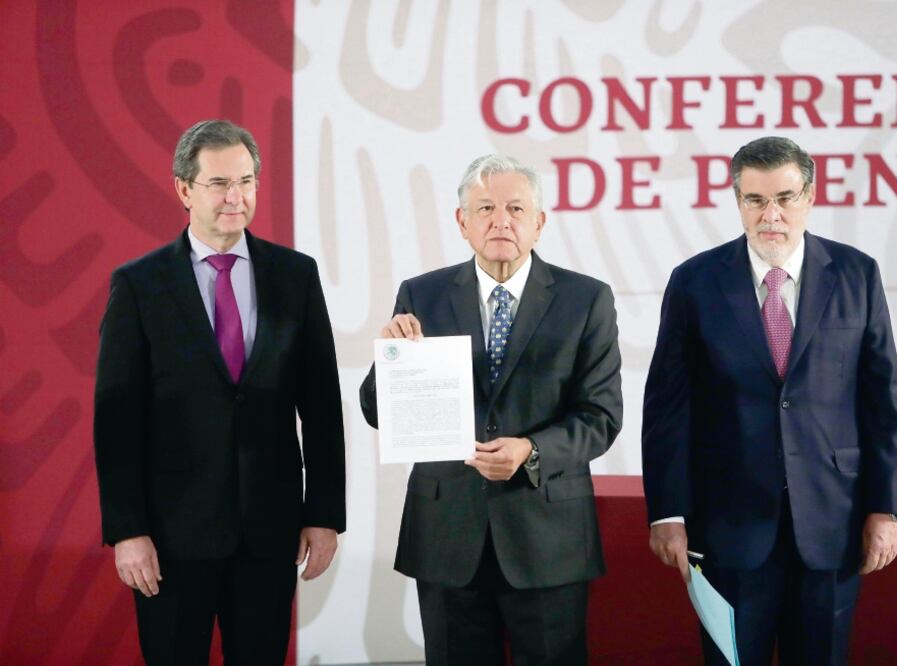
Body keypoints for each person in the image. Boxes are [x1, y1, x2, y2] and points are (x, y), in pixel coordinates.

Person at [642, 136, 897, 665]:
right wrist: (666, 510)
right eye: (755, 200)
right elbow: (669, 407)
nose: (771, 215)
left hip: (833, 521)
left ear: (809, 196)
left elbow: (884, 402)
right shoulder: (695, 282)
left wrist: (887, 508)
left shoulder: (857, 274)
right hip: (727, 524)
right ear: (737, 200)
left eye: (785, 198)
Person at [94, 119, 346, 665]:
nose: (236, 196)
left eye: (247, 181)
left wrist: (324, 513)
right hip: (169, 537)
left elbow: (322, 407)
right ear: (184, 189)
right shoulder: (139, 285)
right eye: (219, 183)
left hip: (269, 530)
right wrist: (127, 530)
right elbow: (116, 420)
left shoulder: (295, 276)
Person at [360, 154, 623, 665]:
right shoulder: (423, 294)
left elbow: (602, 416)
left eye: (515, 208)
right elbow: (379, 410)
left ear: (539, 222)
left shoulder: (585, 299)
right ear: (462, 222)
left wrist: (531, 451)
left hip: (547, 538)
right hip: (447, 536)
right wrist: (389, 360)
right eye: (484, 208)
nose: (500, 220)